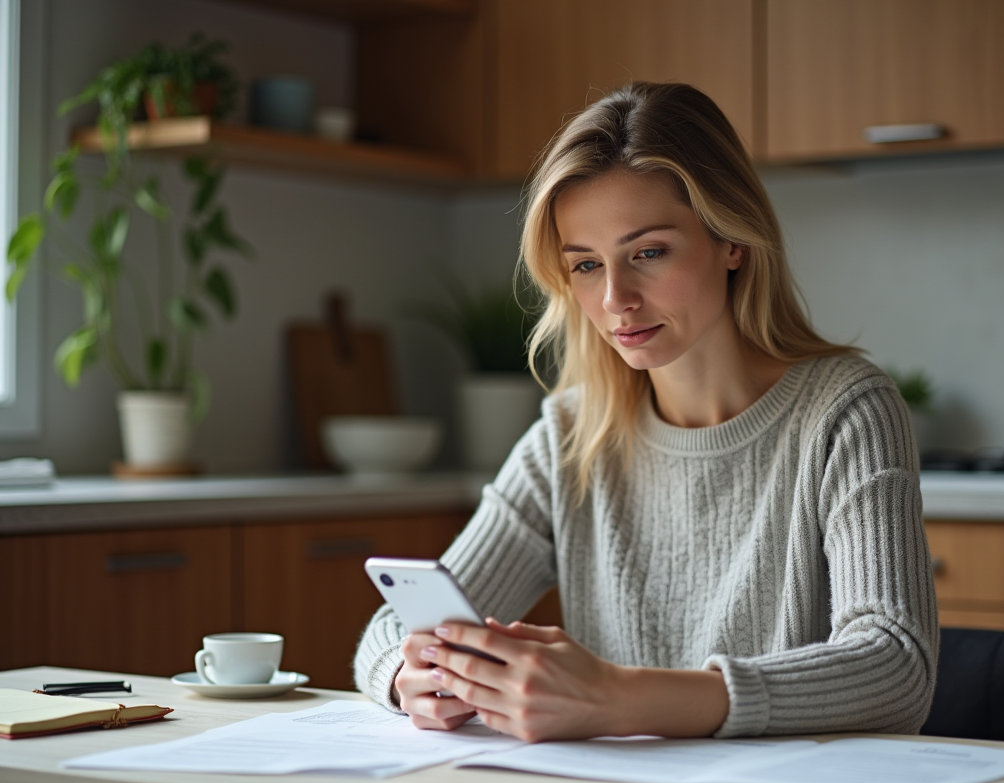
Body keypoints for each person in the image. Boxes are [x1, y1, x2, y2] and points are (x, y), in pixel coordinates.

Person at [354, 81, 938, 743]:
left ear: (732, 241)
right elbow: (392, 632)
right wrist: (413, 682)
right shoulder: (571, 435)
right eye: (584, 266)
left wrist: (618, 698)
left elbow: (895, 668)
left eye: (649, 253)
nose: (615, 299)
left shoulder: (844, 409)